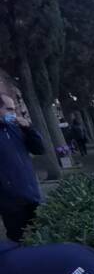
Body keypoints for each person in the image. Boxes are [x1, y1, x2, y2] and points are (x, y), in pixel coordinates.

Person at [0, 93, 45, 242]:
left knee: (42, 237)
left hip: (32, 195)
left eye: (14, 109)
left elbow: (39, 149)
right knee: (18, 241)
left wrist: (29, 129)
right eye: (9, 109)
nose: (14, 113)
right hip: (10, 203)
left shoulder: (16, 128)